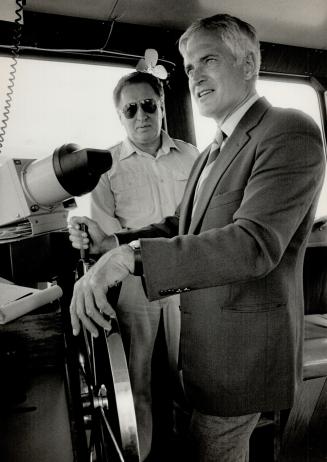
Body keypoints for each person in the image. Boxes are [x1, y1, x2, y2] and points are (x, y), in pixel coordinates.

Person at [69, 14, 325, 462]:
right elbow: (179, 227)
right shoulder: (212, 149)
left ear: (248, 65)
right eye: (188, 66)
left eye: (208, 59)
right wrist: (113, 245)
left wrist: (131, 258)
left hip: (242, 354)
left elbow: (254, 244)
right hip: (206, 350)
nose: (194, 75)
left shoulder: (289, 129)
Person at [69, 71, 198, 461]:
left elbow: (195, 222)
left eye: (148, 105)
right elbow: (104, 242)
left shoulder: (192, 156)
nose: (140, 115)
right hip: (134, 284)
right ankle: (140, 455)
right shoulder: (105, 168)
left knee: (190, 381)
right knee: (136, 384)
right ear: (120, 116)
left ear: (160, 107)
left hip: (188, 278)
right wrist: (85, 237)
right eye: (130, 109)